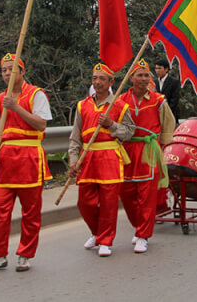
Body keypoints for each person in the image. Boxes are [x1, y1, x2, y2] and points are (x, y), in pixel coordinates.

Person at [0, 54, 52, 273]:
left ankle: (25, 254)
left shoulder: (36, 94)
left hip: (29, 157)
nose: (8, 74)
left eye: (12, 69)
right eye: (4, 70)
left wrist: (17, 107)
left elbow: (40, 125)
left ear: (22, 71)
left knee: (31, 210)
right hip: (5, 160)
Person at [68, 63, 134, 257]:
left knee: (109, 202)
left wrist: (111, 124)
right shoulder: (83, 105)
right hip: (87, 157)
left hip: (110, 157)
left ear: (111, 82)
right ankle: (96, 232)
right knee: (85, 202)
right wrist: (73, 160)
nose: (97, 82)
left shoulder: (120, 106)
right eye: (95, 78)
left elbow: (129, 132)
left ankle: (106, 240)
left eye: (102, 78)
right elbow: (75, 136)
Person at [111, 59, 175, 254]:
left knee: (147, 195)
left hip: (149, 149)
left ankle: (143, 234)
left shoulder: (158, 100)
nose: (144, 78)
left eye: (147, 75)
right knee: (127, 193)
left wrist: (163, 147)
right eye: (140, 75)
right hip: (128, 150)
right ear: (131, 78)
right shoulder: (121, 100)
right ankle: (138, 225)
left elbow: (168, 124)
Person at [154, 58, 181, 122]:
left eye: (159, 68)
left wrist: (166, 113)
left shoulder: (174, 82)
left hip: (170, 116)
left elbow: (174, 100)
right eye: (156, 68)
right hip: (157, 117)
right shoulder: (154, 82)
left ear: (166, 69)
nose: (157, 70)